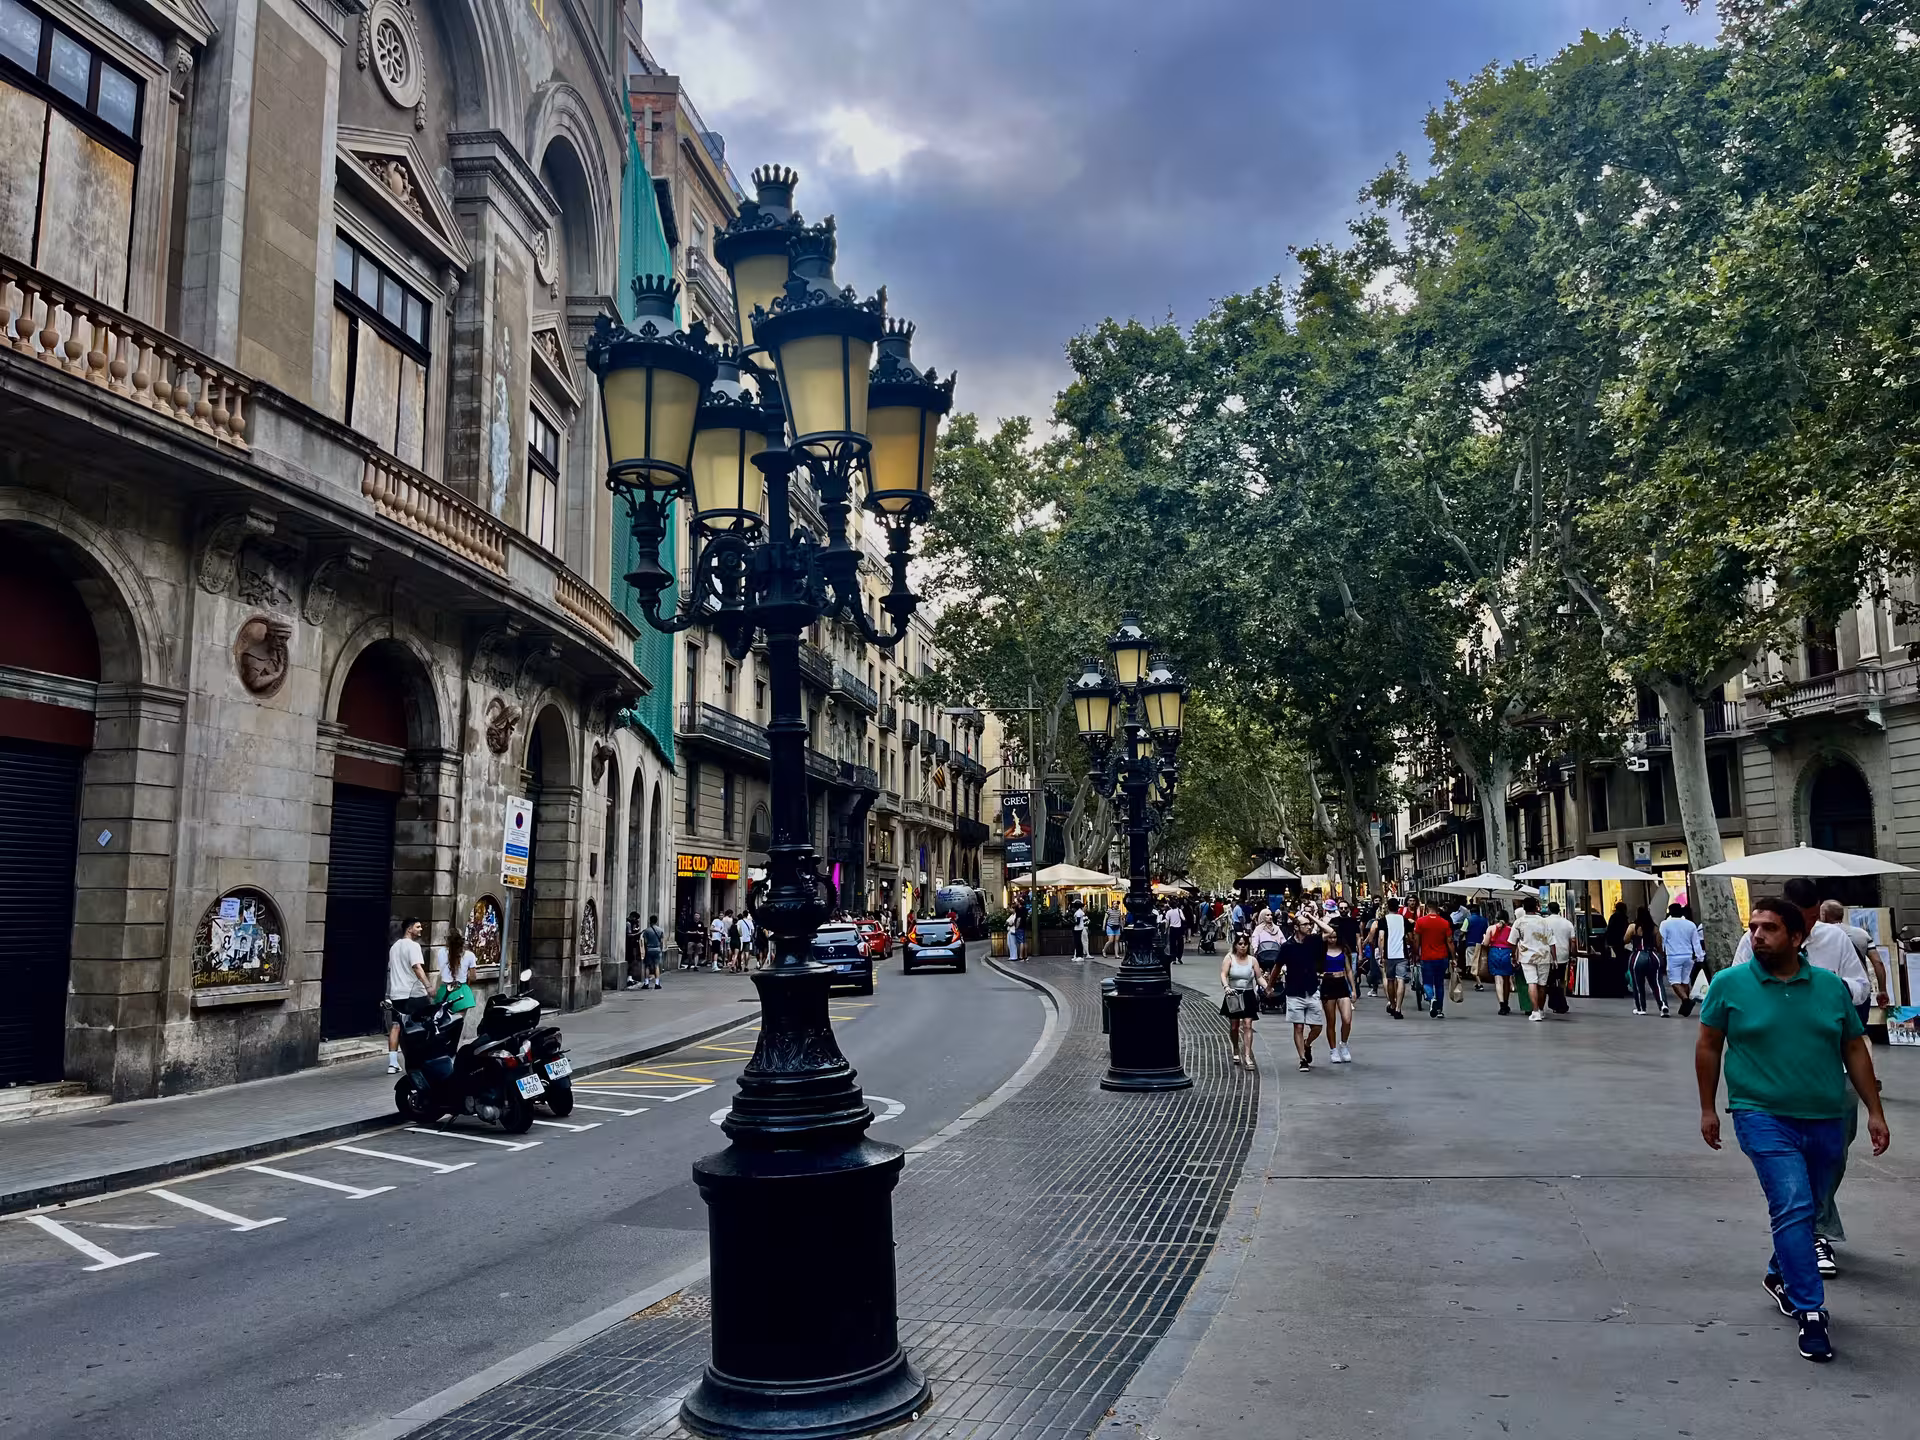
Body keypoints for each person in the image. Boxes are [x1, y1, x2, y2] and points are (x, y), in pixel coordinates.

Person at [1695, 895, 1890, 1363]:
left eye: (1768, 928)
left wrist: (1875, 1111)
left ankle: (1778, 1271)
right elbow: (1708, 1047)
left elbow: (1855, 1049)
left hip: (1825, 1116)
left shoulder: (1828, 987)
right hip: (1760, 1114)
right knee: (1794, 1204)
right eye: (1753, 926)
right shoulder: (1728, 984)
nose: (1756, 935)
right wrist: (1709, 1108)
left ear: (1797, 938)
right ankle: (1810, 1310)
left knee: (1811, 1209)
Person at [1277, 911, 1327, 1071]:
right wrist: (1270, 985)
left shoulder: (1312, 941)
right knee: (1298, 1027)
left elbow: (1330, 932)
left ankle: (1307, 1044)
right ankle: (1302, 1059)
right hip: (1294, 991)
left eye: (1309, 924)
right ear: (1296, 927)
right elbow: (1277, 966)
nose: (1309, 926)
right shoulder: (1287, 947)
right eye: (1305, 924)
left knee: (1317, 1026)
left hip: (1312, 989)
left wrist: (1312, 918)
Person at [384, 916, 429, 1074]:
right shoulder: (413, 946)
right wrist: (428, 986)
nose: (420, 929)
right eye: (418, 927)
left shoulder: (394, 947)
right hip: (414, 993)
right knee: (422, 1025)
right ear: (409, 929)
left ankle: (393, 1063)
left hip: (397, 994)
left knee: (396, 1026)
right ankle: (420, 1059)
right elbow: (417, 967)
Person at [1315, 909, 1357, 1063]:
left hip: (1342, 985)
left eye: (1335, 937)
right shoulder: (1321, 951)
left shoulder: (1343, 950)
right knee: (1331, 1021)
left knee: (1347, 1019)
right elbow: (1315, 970)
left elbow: (1349, 971)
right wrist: (1323, 975)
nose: (1332, 939)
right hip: (1328, 985)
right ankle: (1333, 1050)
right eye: (1330, 937)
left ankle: (1343, 1044)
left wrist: (1353, 989)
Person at [1220, 934, 1265, 1070]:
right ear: (1235, 945)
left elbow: (1259, 977)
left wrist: (1267, 986)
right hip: (1233, 994)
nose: (1242, 946)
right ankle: (1235, 1048)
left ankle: (1247, 1056)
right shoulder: (1229, 958)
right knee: (1234, 1026)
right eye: (1240, 944)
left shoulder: (1252, 960)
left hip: (1248, 994)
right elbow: (1223, 974)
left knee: (1247, 1024)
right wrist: (1226, 987)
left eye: (1245, 944)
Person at [1511, 896, 1555, 1022]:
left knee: (1532, 983)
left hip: (1527, 957)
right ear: (1536, 907)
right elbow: (1552, 941)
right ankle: (1541, 1010)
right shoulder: (1544, 921)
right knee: (1542, 984)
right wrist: (1555, 958)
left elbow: (1512, 941)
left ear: (1524, 908)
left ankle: (1535, 1011)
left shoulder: (1519, 922)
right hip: (1544, 956)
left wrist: (1513, 956)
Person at [1660, 902, 1706, 1016]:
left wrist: (1662, 952)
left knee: (1674, 981)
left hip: (1673, 955)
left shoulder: (1665, 924)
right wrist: (1700, 956)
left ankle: (1686, 1000)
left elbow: (1662, 940)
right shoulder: (1690, 924)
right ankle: (1685, 1005)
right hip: (1688, 955)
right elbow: (1695, 942)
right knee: (1685, 980)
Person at [1367, 899, 1411, 1019]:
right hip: (1402, 954)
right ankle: (1398, 1008)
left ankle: (1392, 1004)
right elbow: (1410, 937)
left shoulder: (1383, 920)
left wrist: (1381, 954)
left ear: (1388, 907)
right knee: (1401, 980)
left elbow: (1381, 938)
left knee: (1390, 979)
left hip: (1389, 955)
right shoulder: (1404, 920)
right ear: (1398, 907)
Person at [1414, 901, 1455, 1019]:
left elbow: (1416, 940)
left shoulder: (1420, 922)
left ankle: (1432, 999)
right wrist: (1453, 957)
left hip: (1426, 957)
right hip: (1442, 957)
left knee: (1427, 982)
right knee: (1439, 984)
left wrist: (1416, 953)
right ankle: (1440, 1010)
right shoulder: (1445, 923)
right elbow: (1450, 941)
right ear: (1437, 909)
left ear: (1427, 909)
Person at [1626, 905, 1668, 1016]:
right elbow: (1659, 944)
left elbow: (1625, 940)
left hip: (1638, 956)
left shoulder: (1633, 927)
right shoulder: (1654, 928)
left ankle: (1641, 1008)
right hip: (1653, 955)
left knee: (1638, 983)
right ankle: (1663, 1005)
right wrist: (1661, 956)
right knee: (1657, 983)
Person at [1544, 901, 1578, 1012]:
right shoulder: (1567, 923)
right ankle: (1560, 1000)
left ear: (1549, 910)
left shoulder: (1544, 922)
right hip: (1563, 955)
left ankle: (1554, 1002)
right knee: (1561, 979)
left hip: (1548, 955)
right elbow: (1573, 941)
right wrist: (1573, 954)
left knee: (1549, 980)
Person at [1486, 909, 1516, 1013]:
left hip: (1494, 953)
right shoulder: (1511, 929)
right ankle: (1506, 1002)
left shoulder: (1491, 928)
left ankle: (1502, 1004)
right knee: (1507, 979)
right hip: (1507, 953)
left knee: (1498, 980)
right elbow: (1513, 943)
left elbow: (1485, 944)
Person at [1462, 904, 1490, 992]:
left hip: (1470, 944)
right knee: (1478, 963)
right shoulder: (1484, 920)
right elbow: (1486, 932)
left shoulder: (1468, 920)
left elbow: (1463, 931)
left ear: (1470, 912)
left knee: (1473, 965)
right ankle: (1478, 981)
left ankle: (1479, 983)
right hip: (1481, 944)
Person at [640, 913, 664, 989]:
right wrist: (661, 949)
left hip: (649, 949)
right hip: (657, 949)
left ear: (650, 921)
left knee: (647, 966)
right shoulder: (660, 930)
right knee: (656, 966)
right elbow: (662, 941)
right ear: (656, 921)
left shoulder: (647, 931)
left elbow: (645, 941)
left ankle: (646, 983)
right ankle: (657, 983)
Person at [623, 912, 645, 990]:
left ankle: (630, 977)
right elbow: (628, 934)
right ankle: (629, 978)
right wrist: (638, 934)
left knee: (633, 961)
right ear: (633, 917)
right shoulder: (628, 923)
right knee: (631, 961)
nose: (636, 920)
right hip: (629, 945)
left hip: (633, 945)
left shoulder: (633, 924)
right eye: (636, 918)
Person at [1166, 899, 1186, 964]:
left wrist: (1166, 930)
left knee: (1172, 944)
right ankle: (1179, 956)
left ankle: (1173, 958)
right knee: (1180, 944)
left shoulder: (1168, 912)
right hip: (1179, 929)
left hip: (1172, 929)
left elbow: (1167, 922)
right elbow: (1183, 919)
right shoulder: (1179, 911)